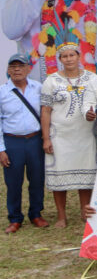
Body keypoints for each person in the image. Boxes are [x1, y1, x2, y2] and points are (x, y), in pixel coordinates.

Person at [40, 42, 96, 228]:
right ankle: (61, 216)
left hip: (86, 135)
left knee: (86, 176)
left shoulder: (92, 78)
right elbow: (46, 111)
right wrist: (46, 138)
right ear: (60, 59)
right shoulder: (51, 81)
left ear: (79, 56)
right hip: (60, 137)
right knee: (59, 176)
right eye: (65, 56)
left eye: (72, 55)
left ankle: (85, 211)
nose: (69, 59)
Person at [1, 53, 45, 233]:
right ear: (8, 70)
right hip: (13, 142)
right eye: (13, 66)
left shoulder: (38, 88)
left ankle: (36, 214)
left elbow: (46, 113)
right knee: (13, 182)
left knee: (37, 179)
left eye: (21, 66)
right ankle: (15, 218)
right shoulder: (2, 92)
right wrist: (1, 149)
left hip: (35, 139)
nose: (17, 69)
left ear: (28, 69)